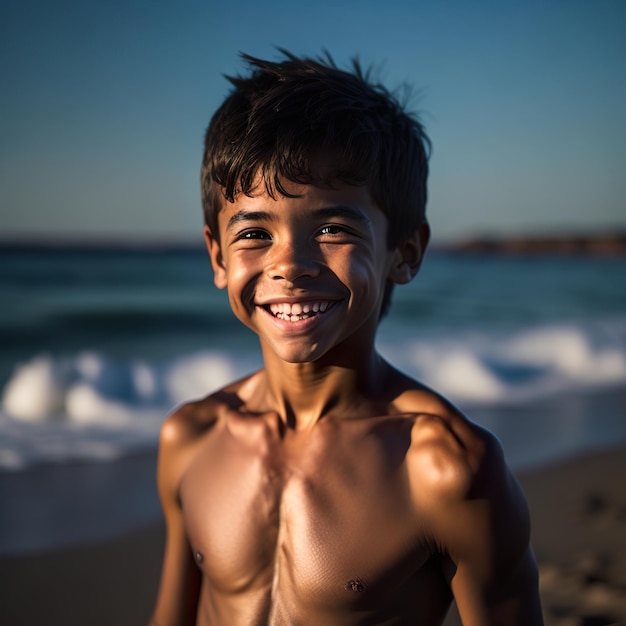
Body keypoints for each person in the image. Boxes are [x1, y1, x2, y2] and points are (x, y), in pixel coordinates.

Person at [149, 51, 543, 626]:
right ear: (217, 255)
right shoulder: (191, 439)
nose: (290, 265)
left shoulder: (444, 470)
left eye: (332, 228)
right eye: (255, 232)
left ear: (404, 253)